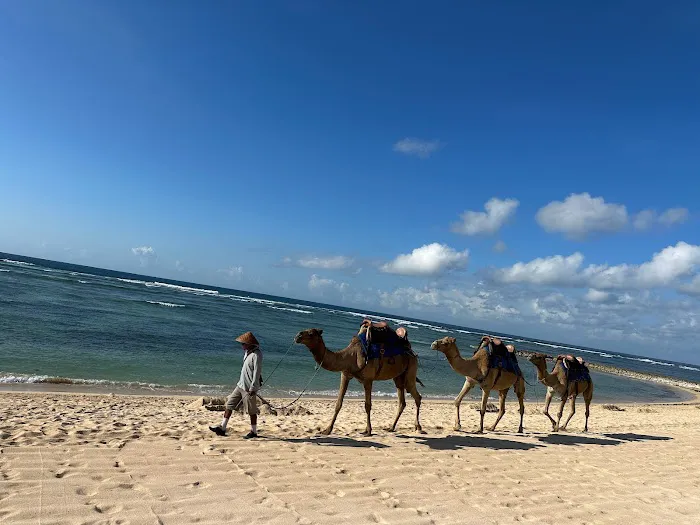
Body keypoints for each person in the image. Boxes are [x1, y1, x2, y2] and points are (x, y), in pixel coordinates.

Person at [209, 331, 263, 439]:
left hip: (249, 388)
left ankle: (254, 432)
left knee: (251, 411)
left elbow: (257, 372)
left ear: (249, 343)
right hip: (240, 385)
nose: (242, 346)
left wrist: (253, 387)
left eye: (243, 344)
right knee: (229, 404)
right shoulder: (247, 353)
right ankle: (222, 428)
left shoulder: (257, 355)